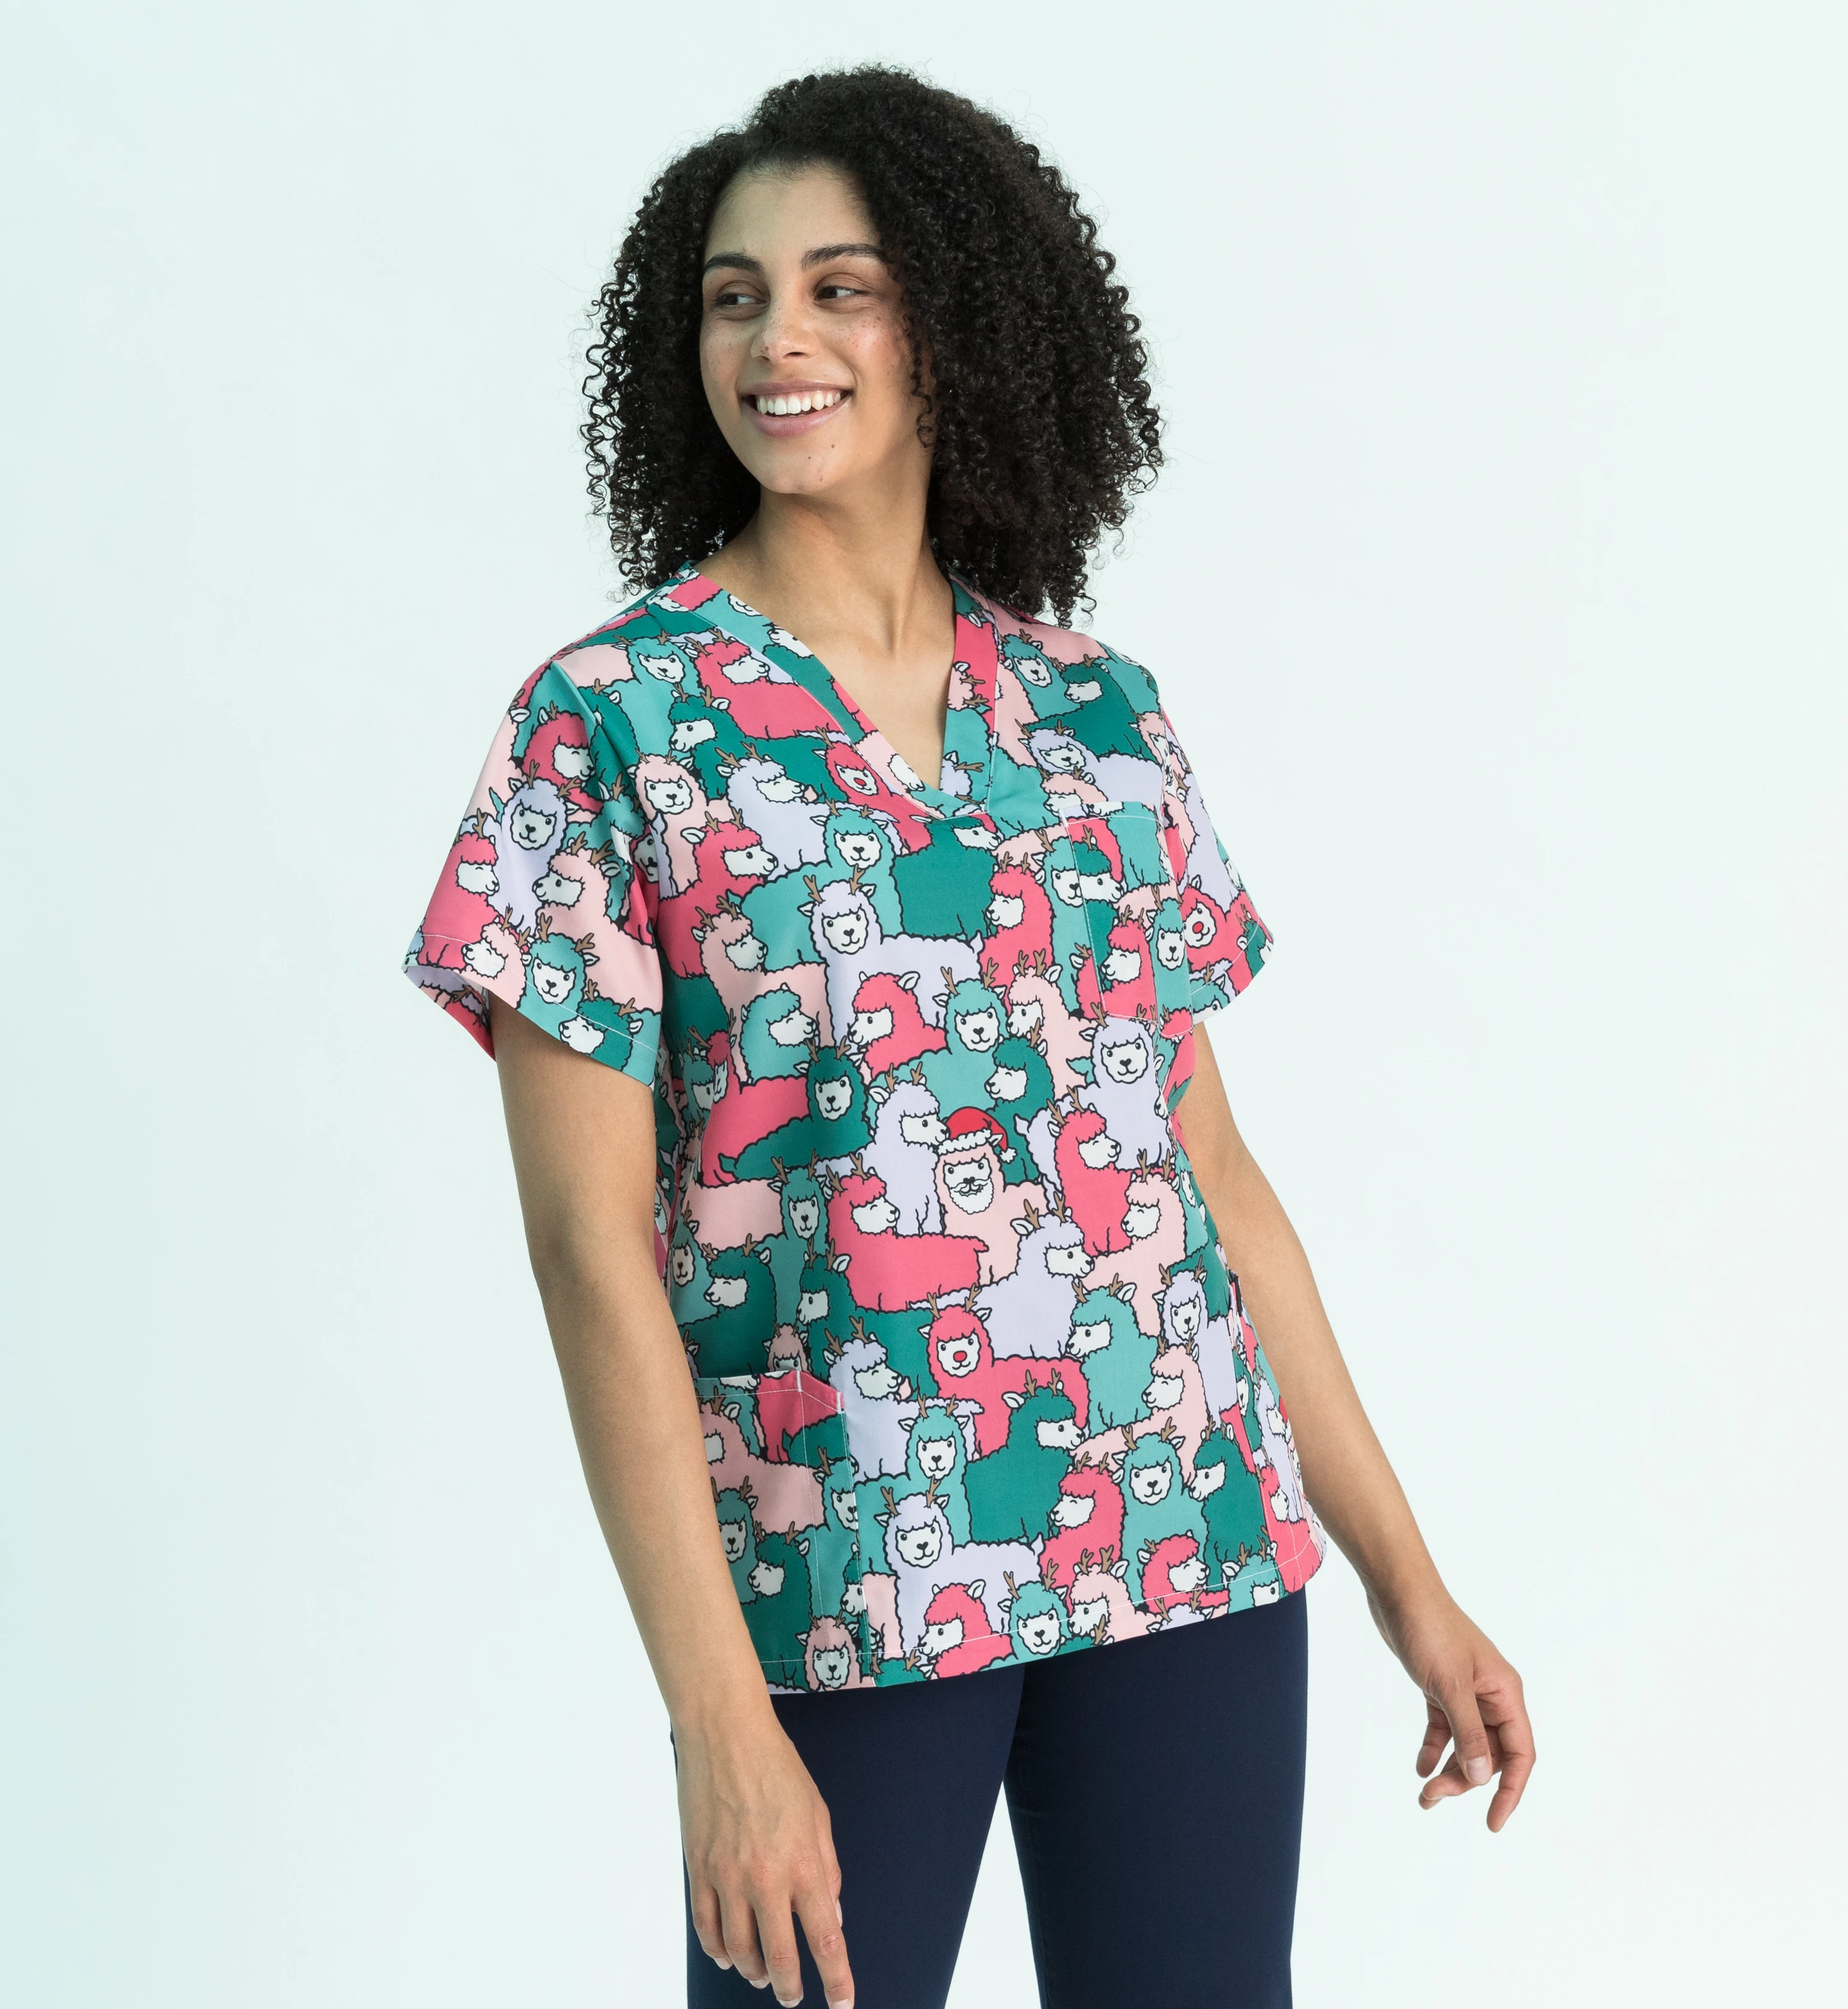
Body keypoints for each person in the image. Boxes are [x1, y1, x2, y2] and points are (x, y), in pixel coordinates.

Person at [404, 66, 1534, 2009]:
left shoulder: (1099, 715)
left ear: (956, 326)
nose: (778, 338)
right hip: (837, 1589)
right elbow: (588, 1251)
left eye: (839, 288)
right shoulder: (609, 725)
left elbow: (1211, 1177)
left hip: (1183, 1549)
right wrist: (714, 1721)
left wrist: (1407, 1581)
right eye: (734, 296)